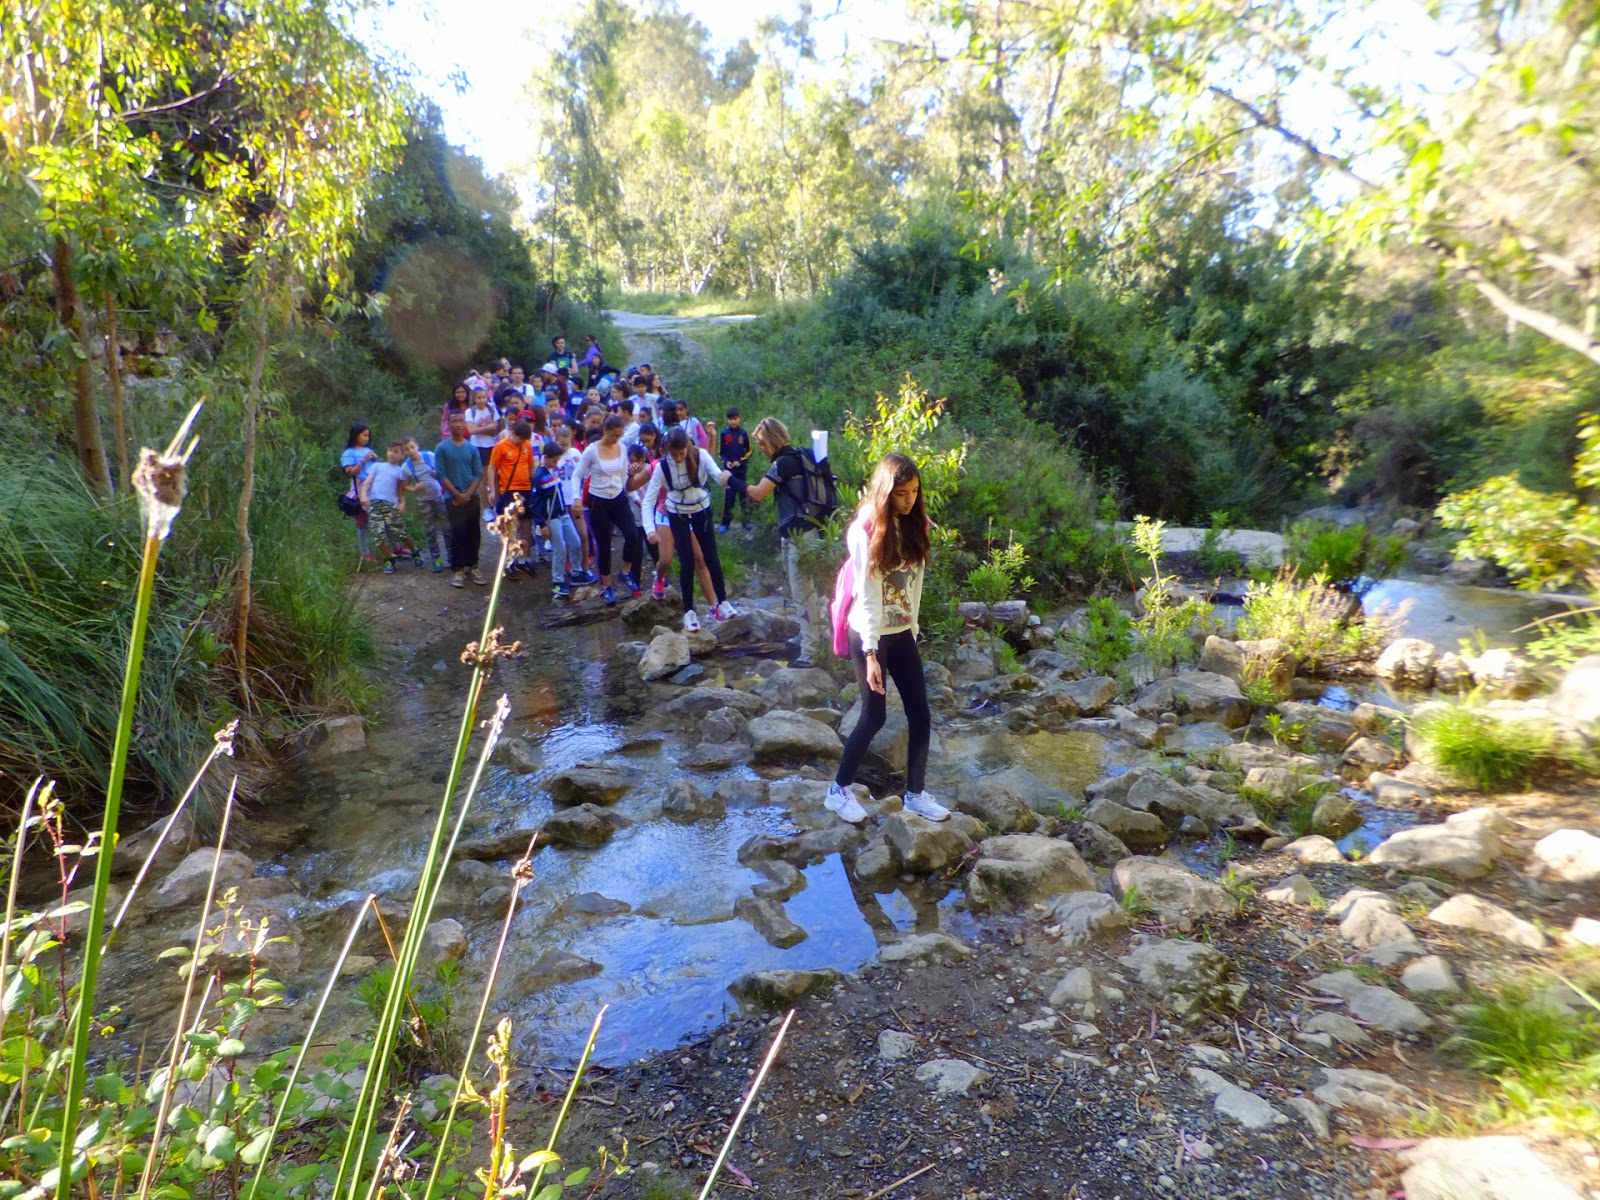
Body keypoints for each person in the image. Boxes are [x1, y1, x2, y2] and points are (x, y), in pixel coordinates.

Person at [825, 453, 948, 825]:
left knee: (921, 715)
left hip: (901, 632)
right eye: (901, 493)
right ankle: (838, 791)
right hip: (868, 633)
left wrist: (913, 629)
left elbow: (916, 583)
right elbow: (867, 594)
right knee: (874, 716)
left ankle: (915, 795)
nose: (909, 500)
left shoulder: (917, 525)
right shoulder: (865, 531)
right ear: (885, 491)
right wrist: (871, 652)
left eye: (914, 492)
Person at [744, 417, 824, 665]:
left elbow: (758, 493)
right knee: (800, 590)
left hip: (802, 536)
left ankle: (810, 650)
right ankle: (806, 635)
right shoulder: (795, 459)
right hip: (797, 534)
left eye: (762, 443)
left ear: (773, 440)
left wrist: (730, 480)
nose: (760, 449)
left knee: (803, 592)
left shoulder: (784, 463)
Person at [641, 427, 738, 632]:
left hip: (702, 511)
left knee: (711, 558)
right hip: (678, 514)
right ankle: (689, 612)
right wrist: (650, 529)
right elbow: (648, 500)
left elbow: (717, 474)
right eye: (674, 454)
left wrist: (725, 479)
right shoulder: (663, 467)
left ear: (688, 447)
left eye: (681, 454)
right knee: (687, 563)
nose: (678, 458)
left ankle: (722, 602)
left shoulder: (701, 456)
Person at [575, 413, 645, 605]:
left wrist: (635, 498)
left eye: (619, 435)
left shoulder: (621, 448)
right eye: (614, 435)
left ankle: (625, 571)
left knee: (632, 534)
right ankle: (606, 586)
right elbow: (577, 475)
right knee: (604, 544)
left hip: (618, 497)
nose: (616, 439)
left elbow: (623, 478)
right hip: (598, 501)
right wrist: (576, 498)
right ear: (605, 431)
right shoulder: (592, 450)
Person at [435, 411, 487, 588]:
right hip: (452, 499)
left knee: (474, 533)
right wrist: (458, 495)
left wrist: (468, 494)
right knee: (458, 533)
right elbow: (441, 475)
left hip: (472, 497)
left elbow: (478, 473)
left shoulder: (472, 448)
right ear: (448, 424)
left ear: (465, 424)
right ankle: (458, 569)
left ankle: (473, 566)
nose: (457, 424)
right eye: (454, 421)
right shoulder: (442, 448)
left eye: (460, 421)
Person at [488, 418, 538, 580]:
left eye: (524, 439)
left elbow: (531, 465)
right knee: (511, 526)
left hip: (526, 489)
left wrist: (535, 483)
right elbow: (492, 467)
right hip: (509, 490)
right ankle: (508, 562)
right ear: (513, 433)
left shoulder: (527, 446)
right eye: (520, 438)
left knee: (526, 524)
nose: (522, 442)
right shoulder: (500, 447)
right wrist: (493, 490)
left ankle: (523, 559)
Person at [533, 440, 583, 597]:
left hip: (563, 514)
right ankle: (557, 581)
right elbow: (535, 503)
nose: (556, 464)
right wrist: (542, 524)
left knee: (575, 542)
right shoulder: (539, 476)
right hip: (552, 517)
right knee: (559, 548)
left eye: (557, 461)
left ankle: (576, 572)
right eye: (554, 461)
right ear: (546, 457)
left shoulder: (555, 471)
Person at [360, 441, 418, 574]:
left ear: (402, 455)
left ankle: (414, 551)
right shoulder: (377, 466)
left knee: (401, 532)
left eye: (396, 452)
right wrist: (363, 495)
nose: (392, 454)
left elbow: (401, 490)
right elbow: (367, 482)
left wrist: (402, 503)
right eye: (390, 450)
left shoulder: (401, 472)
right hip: (374, 504)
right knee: (378, 535)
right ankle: (390, 557)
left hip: (391, 504)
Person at [402, 438, 448, 571]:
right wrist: (414, 489)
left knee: (447, 527)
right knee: (430, 530)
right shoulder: (406, 466)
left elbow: (443, 471)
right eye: (407, 449)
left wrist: (437, 474)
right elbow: (404, 485)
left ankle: (452, 555)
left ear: (417, 446)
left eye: (412, 447)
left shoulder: (429, 456)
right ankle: (436, 558)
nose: (410, 451)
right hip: (423, 501)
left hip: (439, 497)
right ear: (404, 453)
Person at [341, 423, 379, 564]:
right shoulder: (348, 453)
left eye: (368, 435)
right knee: (362, 522)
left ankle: (389, 547)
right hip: (359, 488)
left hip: (374, 487)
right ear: (356, 436)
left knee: (379, 518)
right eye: (364, 435)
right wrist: (363, 461)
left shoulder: (368, 450)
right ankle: (365, 553)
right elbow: (350, 472)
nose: (367, 438)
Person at [464, 385, 501, 514]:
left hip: (492, 445)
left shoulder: (492, 409)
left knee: (494, 478)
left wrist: (480, 429)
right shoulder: (470, 412)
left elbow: (495, 427)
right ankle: (486, 508)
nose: (482, 400)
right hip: (478, 447)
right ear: (474, 399)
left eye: (484, 397)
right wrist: (487, 428)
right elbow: (471, 430)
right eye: (479, 398)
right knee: (483, 478)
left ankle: (496, 505)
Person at [718, 407, 753, 533]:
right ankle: (725, 523)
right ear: (727, 420)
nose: (733, 421)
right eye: (730, 419)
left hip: (741, 471)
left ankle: (746, 521)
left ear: (739, 418)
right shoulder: (724, 433)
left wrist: (741, 461)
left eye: (735, 418)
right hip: (729, 472)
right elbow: (721, 452)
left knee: (743, 497)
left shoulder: (743, 433)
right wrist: (726, 461)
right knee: (729, 498)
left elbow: (750, 450)